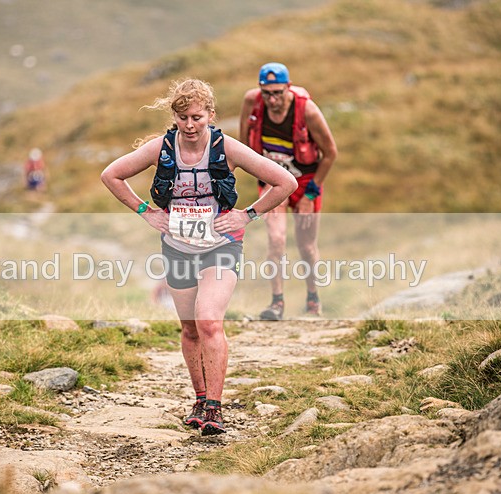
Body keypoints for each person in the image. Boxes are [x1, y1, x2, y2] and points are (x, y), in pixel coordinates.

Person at [101, 79, 296, 435]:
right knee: (190, 328)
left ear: (210, 115)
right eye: (182, 117)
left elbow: (286, 182)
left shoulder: (227, 148)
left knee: (209, 321)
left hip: (222, 245)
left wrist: (247, 214)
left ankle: (216, 409)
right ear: (174, 116)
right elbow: (111, 175)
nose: (189, 125)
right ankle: (200, 398)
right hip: (177, 247)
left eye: (197, 117)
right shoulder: (161, 147)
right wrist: (146, 211)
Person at [239, 62, 338, 320]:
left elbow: (330, 153)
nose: (272, 99)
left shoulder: (308, 111)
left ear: (288, 87)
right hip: (273, 180)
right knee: (276, 239)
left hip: (306, 182)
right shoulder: (252, 103)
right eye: (267, 92)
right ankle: (277, 303)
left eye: (277, 92)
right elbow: (243, 148)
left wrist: (310, 196)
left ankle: (313, 299)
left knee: (306, 246)